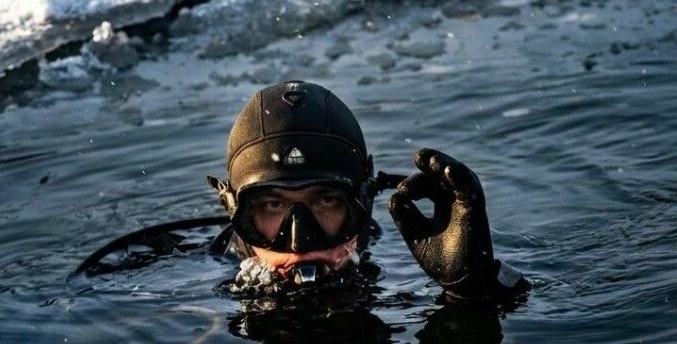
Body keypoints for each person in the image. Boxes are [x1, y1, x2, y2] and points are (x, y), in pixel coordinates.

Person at [208, 79, 527, 300]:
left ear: (364, 200)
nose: (299, 242)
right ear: (235, 210)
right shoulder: (182, 286)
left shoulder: (404, 266)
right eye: (273, 206)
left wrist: (472, 289)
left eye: (327, 200)